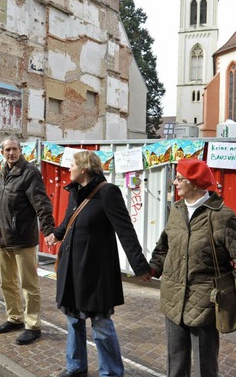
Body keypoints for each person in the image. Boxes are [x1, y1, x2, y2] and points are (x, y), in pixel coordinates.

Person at [45, 151, 152, 377]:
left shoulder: (107, 193)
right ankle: (76, 367)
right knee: (73, 319)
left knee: (101, 324)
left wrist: (140, 266)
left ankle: (111, 372)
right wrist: (56, 234)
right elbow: (69, 220)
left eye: (72, 165)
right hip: (72, 268)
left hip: (95, 271)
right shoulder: (75, 192)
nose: (69, 169)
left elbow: (125, 231)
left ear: (84, 168)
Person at [148, 158, 236, 377]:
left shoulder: (221, 217)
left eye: (179, 178)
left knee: (204, 366)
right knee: (175, 362)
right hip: (173, 298)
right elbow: (164, 247)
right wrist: (152, 268)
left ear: (195, 183)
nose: (175, 182)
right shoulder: (176, 210)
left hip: (206, 301)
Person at [0, 136, 55, 345]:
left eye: (14, 149)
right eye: (7, 150)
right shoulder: (4, 171)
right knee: (7, 282)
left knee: (29, 285)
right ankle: (14, 317)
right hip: (3, 237)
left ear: (20, 150)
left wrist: (49, 229)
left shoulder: (30, 172)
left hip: (23, 238)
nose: (11, 153)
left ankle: (33, 325)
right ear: (2, 152)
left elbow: (42, 203)